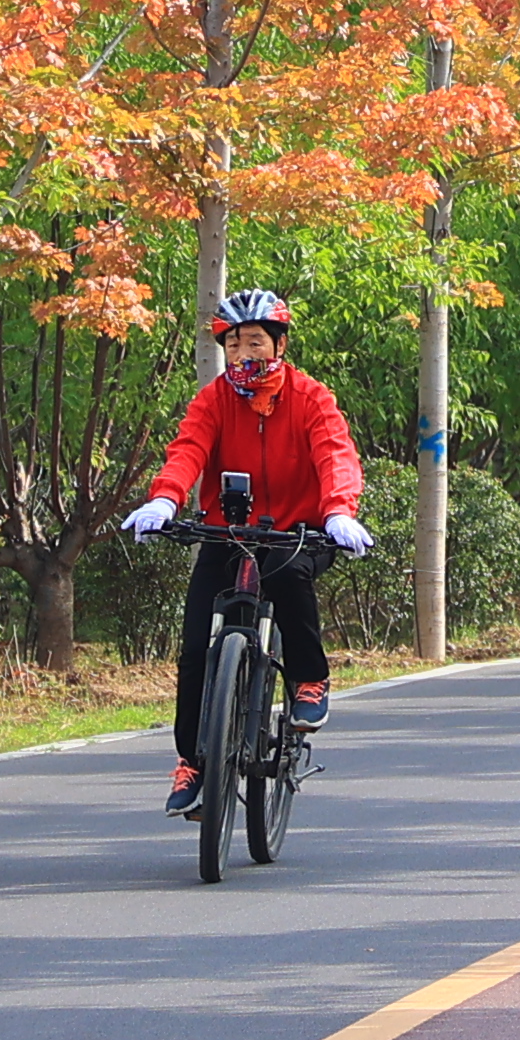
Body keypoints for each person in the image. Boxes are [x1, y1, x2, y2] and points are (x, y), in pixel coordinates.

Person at [123, 289, 372, 817]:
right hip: (226, 532)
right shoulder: (214, 398)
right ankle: (192, 761)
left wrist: (338, 511)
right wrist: (164, 500)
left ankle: (309, 678)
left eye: (255, 341)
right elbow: (188, 449)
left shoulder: (311, 397)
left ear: (279, 344)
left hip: (298, 532)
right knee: (194, 647)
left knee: (286, 580)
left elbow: (335, 453)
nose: (244, 355)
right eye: (233, 345)